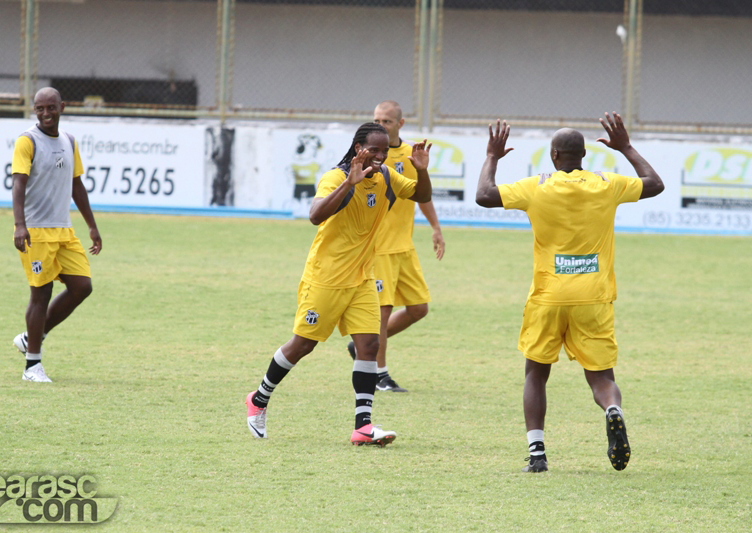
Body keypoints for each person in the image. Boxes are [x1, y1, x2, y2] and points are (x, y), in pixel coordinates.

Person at [475, 112, 664, 472]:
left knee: (536, 373)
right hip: (593, 296)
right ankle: (612, 409)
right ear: (584, 156)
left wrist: (492, 157)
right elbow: (654, 183)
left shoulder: (536, 187)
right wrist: (625, 147)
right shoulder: (606, 184)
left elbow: (484, 195)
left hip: (549, 296)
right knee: (602, 377)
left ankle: (537, 454)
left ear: (554, 156)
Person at [245, 123, 432, 445]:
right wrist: (349, 183)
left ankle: (363, 426)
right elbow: (316, 215)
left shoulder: (386, 176)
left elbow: (422, 194)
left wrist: (422, 171)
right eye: (373, 149)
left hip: (362, 277)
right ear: (358, 147)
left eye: (384, 151)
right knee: (303, 345)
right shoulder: (335, 177)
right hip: (326, 278)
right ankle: (259, 399)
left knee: (370, 346)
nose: (379, 156)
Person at [346, 101, 445, 393]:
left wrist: (436, 227)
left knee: (418, 308)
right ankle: (379, 373)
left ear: (400, 124)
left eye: (387, 121)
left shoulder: (410, 153)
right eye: (376, 119)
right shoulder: (367, 156)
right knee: (383, 312)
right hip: (379, 248)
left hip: (404, 246)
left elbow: (420, 194)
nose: (381, 125)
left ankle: (361, 345)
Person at [11, 87, 102, 382]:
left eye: (51, 107)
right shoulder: (27, 141)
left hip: (63, 229)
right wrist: (19, 224)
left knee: (82, 287)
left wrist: (91, 224)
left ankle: (32, 337)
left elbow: (76, 185)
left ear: (62, 106)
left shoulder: (69, 141)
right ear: (34, 111)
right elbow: (18, 184)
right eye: (40, 109)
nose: (46, 114)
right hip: (36, 231)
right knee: (41, 294)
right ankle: (32, 366)